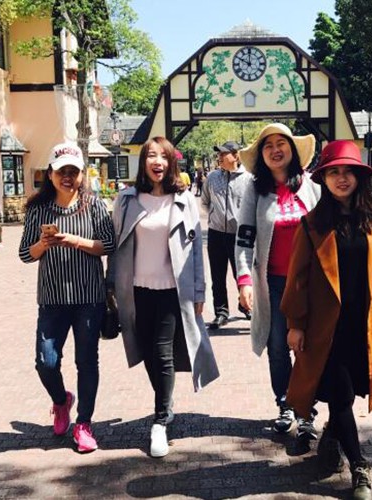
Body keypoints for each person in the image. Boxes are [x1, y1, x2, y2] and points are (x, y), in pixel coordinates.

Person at [282, 140, 372, 500]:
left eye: (348, 171)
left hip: (360, 326)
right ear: (324, 179)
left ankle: (332, 437)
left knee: (347, 396)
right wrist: (295, 323)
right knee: (341, 395)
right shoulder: (312, 225)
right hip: (326, 329)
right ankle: (360, 466)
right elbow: (297, 279)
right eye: (333, 172)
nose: (341, 178)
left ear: (359, 177)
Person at [107, 136, 219, 458]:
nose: (157, 162)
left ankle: (160, 419)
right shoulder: (126, 200)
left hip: (173, 290)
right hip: (136, 291)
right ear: (143, 161)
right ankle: (165, 405)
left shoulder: (183, 200)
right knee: (146, 351)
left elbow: (196, 250)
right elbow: (115, 245)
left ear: (171, 163)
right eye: (151, 156)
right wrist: (110, 286)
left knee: (162, 350)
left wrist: (199, 291)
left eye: (164, 157)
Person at [19, 142, 115, 453]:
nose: (68, 177)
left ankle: (84, 424)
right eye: (61, 171)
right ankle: (61, 401)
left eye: (74, 171)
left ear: (82, 174)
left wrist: (73, 240)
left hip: (89, 298)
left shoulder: (94, 205)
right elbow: (25, 254)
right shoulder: (38, 209)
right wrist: (43, 244)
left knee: (86, 361)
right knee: (46, 362)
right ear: (50, 174)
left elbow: (108, 245)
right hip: (52, 299)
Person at [235, 123, 320, 437]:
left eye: (281, 143)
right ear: (261, 155)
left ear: (292, 149)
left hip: (310, 285)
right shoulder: (255, 190)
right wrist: (244, 280)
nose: (275, 150)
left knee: (308, 347)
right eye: (268, 145)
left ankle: (306, 410)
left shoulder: (312, 186)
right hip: (272, 284)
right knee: (278, 347)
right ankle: (284, 403)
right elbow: (245, 237)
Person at [202, 140, 252, 329]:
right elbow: (205, 202)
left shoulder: (248, 179)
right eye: (219, 154)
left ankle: (245, 304)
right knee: (217, 275)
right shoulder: (212, 177)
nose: (220, 157)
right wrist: (215, 216)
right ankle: (221, 312)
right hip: (216, 233)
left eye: (224, 154)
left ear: (236, 156)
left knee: (241, 273)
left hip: (239, 236)